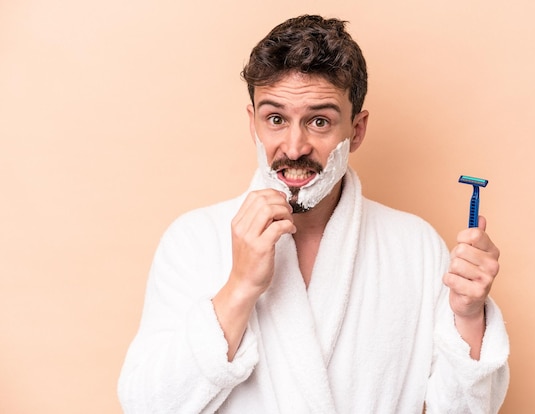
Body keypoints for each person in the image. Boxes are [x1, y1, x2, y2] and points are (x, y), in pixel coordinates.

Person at [118, 14, 509, 413]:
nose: (293, 146)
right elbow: (148, 405)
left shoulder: (415, 247)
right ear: (253, 124)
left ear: (356, 130)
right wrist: (239, 288)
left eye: (319, 121)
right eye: (275, 119)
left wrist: (468, 317)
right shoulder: (193, 240)